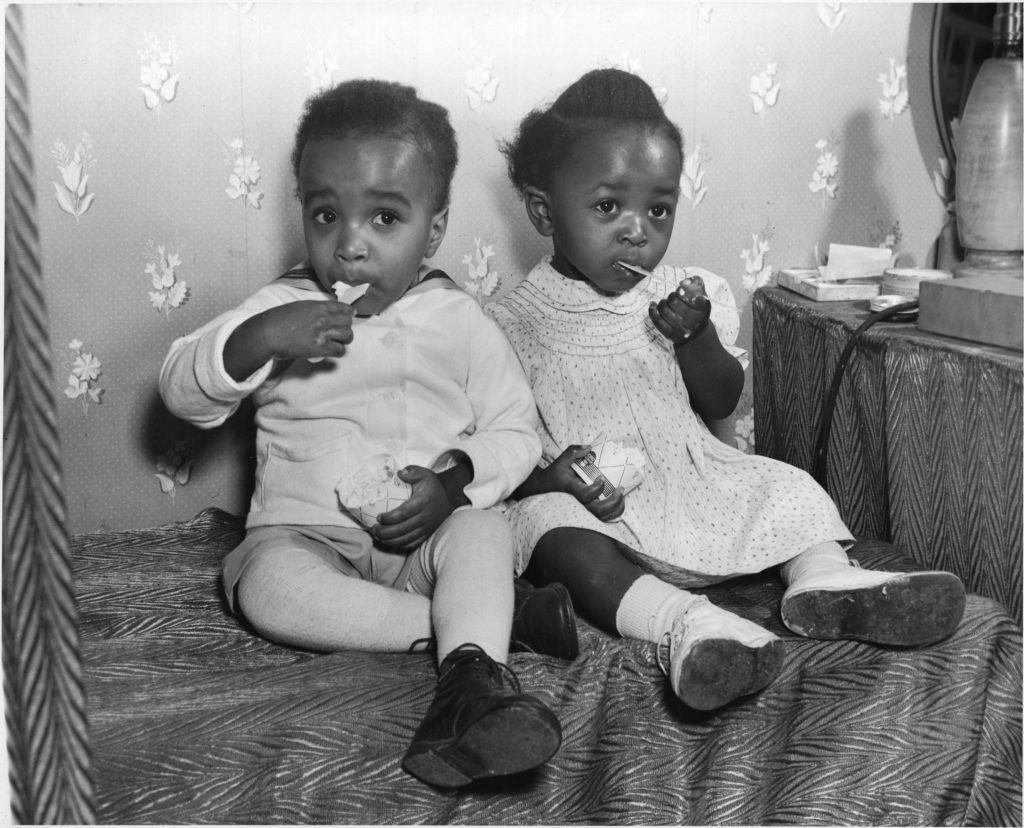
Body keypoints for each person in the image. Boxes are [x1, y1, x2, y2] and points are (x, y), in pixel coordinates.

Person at [487, 68, 967, 712]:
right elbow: (505, 454)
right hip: (601, 511)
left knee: (785, 483)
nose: (637, 230)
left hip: (694, 481)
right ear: (544, 211)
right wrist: (552, 482)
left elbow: (721, 403)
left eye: (657, 209)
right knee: (545, 529)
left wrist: (695, 339)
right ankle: (689, 625)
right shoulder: (510, 325)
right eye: (608, 207)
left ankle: (824, 583)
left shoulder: (686, 295)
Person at [159, 78, 578, 788]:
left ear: (433, 230)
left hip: (418, 548)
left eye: (385, 219)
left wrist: (452, 484)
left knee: (485, 533)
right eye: (326, 215)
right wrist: (259, 337)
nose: (349, 248)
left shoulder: (460, 321)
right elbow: (181, 389)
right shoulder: (282, 307)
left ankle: (473, 677)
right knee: (266, 589)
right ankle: (478, 637)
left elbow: (519, 432)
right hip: (302, 537)